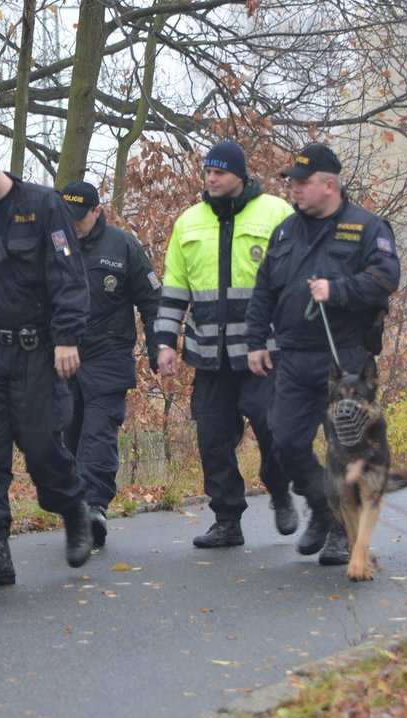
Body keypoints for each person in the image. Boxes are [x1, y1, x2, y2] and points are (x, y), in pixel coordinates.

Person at [0, 137, 93, 588]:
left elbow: (68, 276)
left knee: (44, 448)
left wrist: (67, 338)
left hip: (37, 352)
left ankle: (72, 508)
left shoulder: (44, 206)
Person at [245, 143, 400, 565]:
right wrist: (255, 341)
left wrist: (338, 290)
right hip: (292, 355)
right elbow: (264, 290)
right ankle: (325, 510)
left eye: (303, 182)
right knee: (285, 443)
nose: (294, 189)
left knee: (344, 450)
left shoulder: (366, 227)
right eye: (292, 182)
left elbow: (387, 277)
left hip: (344, 357)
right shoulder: (285, 231)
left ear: (328, 185)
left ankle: (343, 533)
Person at [154, 140, 299, 548]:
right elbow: (173, 291)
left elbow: (292, 284)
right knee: (213, 439)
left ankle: (281, 490)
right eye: (207, 172)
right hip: (209, 356)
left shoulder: (275, 213)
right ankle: (227, 519)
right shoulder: (189, 222)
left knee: (275, 431)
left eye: (219, 171)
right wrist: (165, 343)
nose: (211, 178)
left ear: (240, 174)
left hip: (263, 354)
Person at [59, 181, 161, 548]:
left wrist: (159, 347)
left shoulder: (123, 246)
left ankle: (93, 507)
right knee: (67, 437)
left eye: (79, 218)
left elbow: (152, 300)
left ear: (97, 211)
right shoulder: (51, 244)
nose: (73, 225)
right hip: (62, 357)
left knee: (98, 433)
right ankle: (75, 508)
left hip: (107, 355)